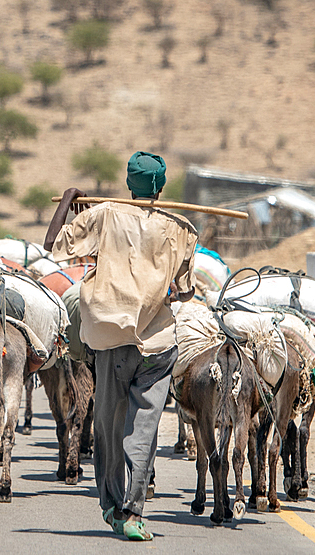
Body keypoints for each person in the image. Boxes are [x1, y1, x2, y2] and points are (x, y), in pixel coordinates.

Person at [44, 151, 197, 541]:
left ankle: (112, 505)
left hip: (111, 339)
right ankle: (134, 511)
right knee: (144, 427)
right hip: (158, 343)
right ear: (160, 187)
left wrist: (69, 198)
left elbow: (53, 244)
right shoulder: (182, 228)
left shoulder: (105, 213)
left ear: (129, 183)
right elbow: (183, 291)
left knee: (109, 426)